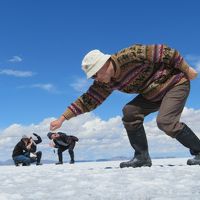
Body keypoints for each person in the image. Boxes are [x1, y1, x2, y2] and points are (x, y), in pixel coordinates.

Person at [50, 44, 200, 168]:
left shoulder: (129, 55)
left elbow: (166, 52)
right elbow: (88, 99)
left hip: (175, 84)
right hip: (151, 95)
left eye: (95, 74)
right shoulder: (105, 83)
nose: (96, 79)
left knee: (165, 122)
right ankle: (142, 157)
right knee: (130, 111)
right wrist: (62, 118)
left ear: (103, 64)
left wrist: (187, 69)